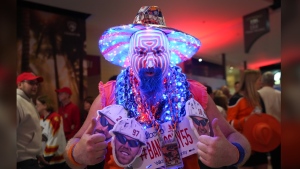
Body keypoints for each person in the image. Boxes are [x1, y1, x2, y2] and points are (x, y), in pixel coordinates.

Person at [64, 6, 251, 169]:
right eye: (141, 52)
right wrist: (77, 153)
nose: (151, 62)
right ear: (128, 58)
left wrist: (234, 154)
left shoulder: (194, 94)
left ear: (170, 55)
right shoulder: (109, 96)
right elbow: (72, 146)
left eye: (158, 51)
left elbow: (236, 137)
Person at [227, 70, 268, 169]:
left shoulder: (258, 97)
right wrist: (246, 120)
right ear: (252, 81)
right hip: (244, 145)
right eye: (259, 80)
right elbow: (229, 123)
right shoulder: (236, 99)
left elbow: (265, 117)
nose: (261, 82)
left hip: (260, 142)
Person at [16, 72, 45, 169]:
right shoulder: (17, 101)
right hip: (21, 161)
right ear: (20, 84)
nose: (35, 86)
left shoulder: (28, 101)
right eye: (31, 83)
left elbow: (32, 130)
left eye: (36, 83)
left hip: (31, 159)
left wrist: (38, 152)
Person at [258, 71, 281, 169]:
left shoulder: (257, 94)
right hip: (278, 129)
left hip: (260, 130)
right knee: (277, 158)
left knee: (262, 158)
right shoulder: (279, 94)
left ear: (262, 81)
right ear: (273, 82)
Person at [36, 95, 67, 169]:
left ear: (45, 105)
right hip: (44, 157)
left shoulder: (55, 118)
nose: (36, 107)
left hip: (55, 160)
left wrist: (47, 157)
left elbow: (54, 139)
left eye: (37, 105)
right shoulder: (41, 118)